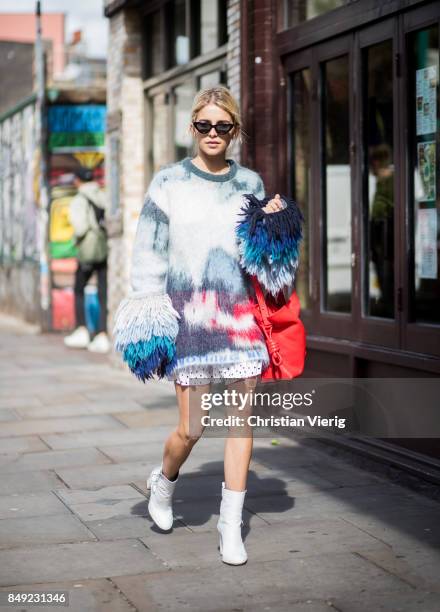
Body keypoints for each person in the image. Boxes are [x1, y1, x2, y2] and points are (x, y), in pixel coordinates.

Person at [113, 86, 301, 565]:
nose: (213, 134)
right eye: (204, 125)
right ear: (192, 127)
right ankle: (164, 480)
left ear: (234, 130)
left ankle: (230, 526)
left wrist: (275, 229)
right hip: (188, 321)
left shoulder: (251, 185)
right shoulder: (168, 183)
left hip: (239, 322)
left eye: (223, 126)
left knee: (239, 424)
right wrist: (151, 312)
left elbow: (268, 268)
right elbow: (148, 253)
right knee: (192, 429)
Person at [64, 167, 110, 353]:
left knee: (79, 289)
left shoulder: (79, 199)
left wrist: (76, 239)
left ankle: (82, 329)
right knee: (102, 290)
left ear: (78, 181)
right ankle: (102, 333)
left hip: (87, 249)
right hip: (102, 247)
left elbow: (81, 227)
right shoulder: (102, 195)